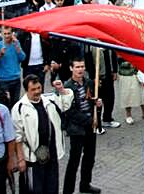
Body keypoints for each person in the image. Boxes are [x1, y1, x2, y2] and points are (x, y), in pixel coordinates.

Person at [11, 74, 73, 194]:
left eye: (39, 88)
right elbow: (17, 137)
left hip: (51, 153)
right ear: (26, 90)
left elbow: (66, 104)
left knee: (51, 187)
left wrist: (61, 90)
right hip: (32, 158)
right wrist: (20, 159)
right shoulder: (18, 108)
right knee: (34, 189)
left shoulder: (49, 100)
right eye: (33, 89)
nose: (37, 92)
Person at [62, 57, 102, 194]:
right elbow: (69, 112)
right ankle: (68, 190)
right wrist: (88, 120)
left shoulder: (89, 83)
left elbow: (92, 102)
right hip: (77, 129)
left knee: (89, 157)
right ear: (71, 68)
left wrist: (97, 104)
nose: (80, 70)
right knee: (74, 161)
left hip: (91, 127)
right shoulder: (67, 88)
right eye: (77, 67)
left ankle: (85, 184)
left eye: (82, 67)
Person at [0, 27, 26, 108]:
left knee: (15, 103)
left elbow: (22, 58)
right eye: (5, 34)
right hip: (3, 80)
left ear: (12, 34)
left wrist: (18, 47)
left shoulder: (16, 44)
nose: (7, 36)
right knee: (5, 103)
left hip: (16, 78)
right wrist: (0, 54)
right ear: (1, 34)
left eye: (9, 33)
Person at [117, 60, 144, 125]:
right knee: (127, 95)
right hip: (126, 74)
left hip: (139, 73)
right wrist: (133, 63)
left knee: (143, 94)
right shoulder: (123, 51)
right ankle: (128, 115)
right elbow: (120, 61)